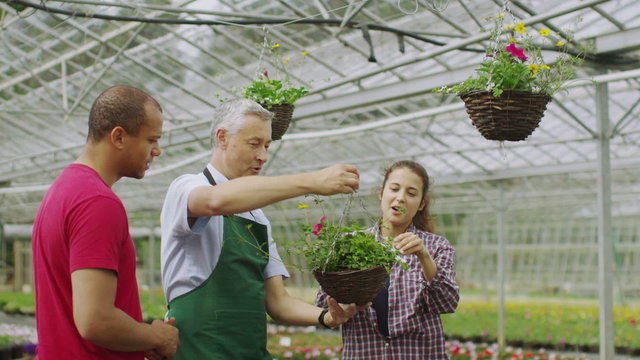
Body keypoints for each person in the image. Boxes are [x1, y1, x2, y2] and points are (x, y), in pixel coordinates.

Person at [160, 98, 367, 359]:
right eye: (254, 143)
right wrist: (312, 181)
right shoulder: (187, 187)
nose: (263, 156)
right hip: (199, 350)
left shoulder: (257, 217)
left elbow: (278, 302)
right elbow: (215, 201)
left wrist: (327, 317)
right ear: (222, 138)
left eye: (267, 145)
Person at [31, 85, 180, 360]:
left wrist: (139, 340)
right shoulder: (97, 202)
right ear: (119, 137)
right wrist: (157, 336)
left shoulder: (62, 191)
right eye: (151, 140)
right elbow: (96, 320)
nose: (157, 151)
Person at [316, 160, 460, 359]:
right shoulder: (350, 244)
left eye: (411, 193)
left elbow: (446, 303)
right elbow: (323, 305)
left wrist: (424, 256)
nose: (400, 198)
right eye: (394, 189)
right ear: (381, 193)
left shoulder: (436, 246)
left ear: (421, 204)